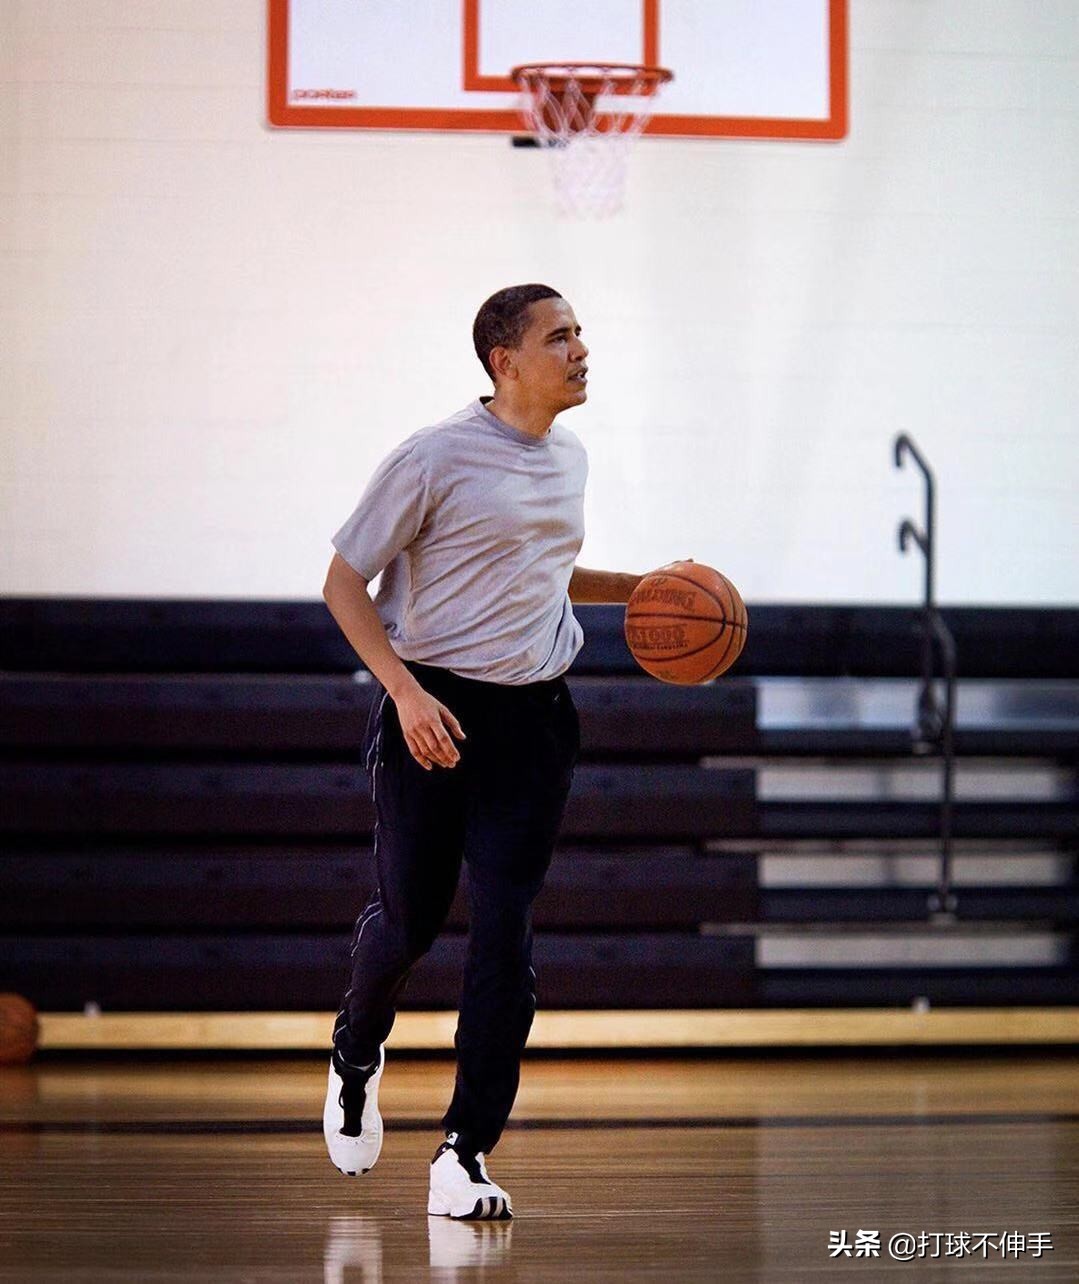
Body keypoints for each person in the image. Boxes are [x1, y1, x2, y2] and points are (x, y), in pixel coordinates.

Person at [321, 283, 644, 1220]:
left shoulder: (569, 457)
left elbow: (542, 568)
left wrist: (646, 588)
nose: (580, 347)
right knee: (411, 923)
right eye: (560, 336)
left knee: (507, 932)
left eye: (581, 331)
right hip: (434, 713)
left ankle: (462, 1152)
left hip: (534, 721)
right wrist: (404, 691)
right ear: (505, 360)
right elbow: (344, 581)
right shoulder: (432, 456)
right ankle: (354, 1044)